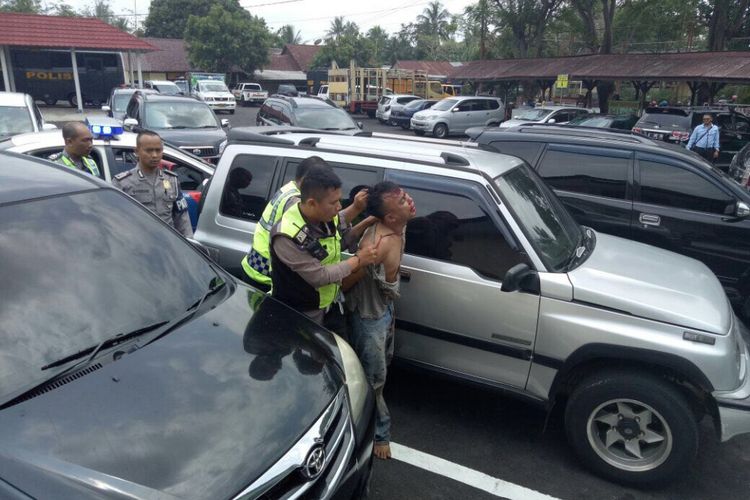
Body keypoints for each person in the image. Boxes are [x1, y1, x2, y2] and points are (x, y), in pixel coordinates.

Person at [344, 181, 416, 460]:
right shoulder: (379, 243)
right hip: (367, 316)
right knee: (373, 378)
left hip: (384, 310)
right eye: (402, 201)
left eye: (405, 195)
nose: (409, 201)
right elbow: (348, 282)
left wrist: (371, 216)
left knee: (382, 367)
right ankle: (379, 433)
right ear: (391, 217)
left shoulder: (400, 225)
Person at [269, 163, 377, 326]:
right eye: (333, 203)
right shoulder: (287, 234)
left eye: (339, 200)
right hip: (302, 314)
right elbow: (320, 276)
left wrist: (364, 216)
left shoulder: (324, 216)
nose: (339, 207)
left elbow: (335, 242)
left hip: (329, 304)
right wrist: (358, 260)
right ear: (312, 203)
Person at [112, 130, 193, 238]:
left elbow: (182, 217)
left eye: (158, 150)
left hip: (169, 244)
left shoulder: (171, 180)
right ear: (136, 151)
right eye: (149, 151)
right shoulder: (122, 183)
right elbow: (114, 220)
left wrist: (188, 243)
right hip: (138, 244)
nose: (154, 155)